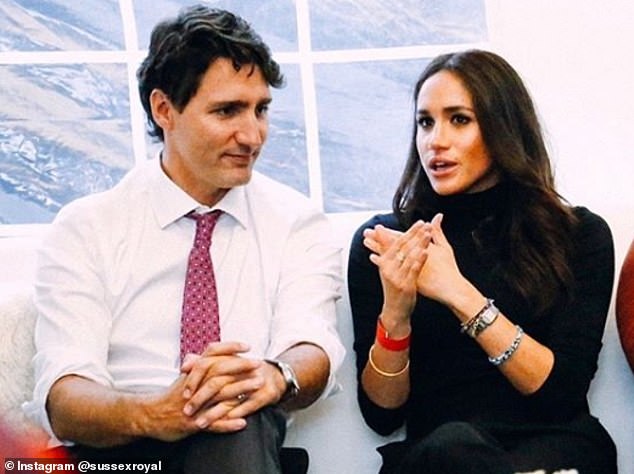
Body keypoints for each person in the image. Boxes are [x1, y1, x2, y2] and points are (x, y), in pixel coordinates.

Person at [23, 5, 344, 474]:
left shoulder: (297, 221)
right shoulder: (86, 227)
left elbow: (312, 344)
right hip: (116, 457)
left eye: (261, 109)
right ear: (164, 109)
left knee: (234, 414)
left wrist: (272, 376)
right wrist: (157, 413)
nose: (252, 135)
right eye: (227, 111)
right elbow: (64, 395)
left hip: (241, 445)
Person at [348, 49, 617, 474]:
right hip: (440, 456)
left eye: (459, 119)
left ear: (503, 128)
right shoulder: (388, 241)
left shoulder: (579, 235)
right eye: (425, 122)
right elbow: (382, 415)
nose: (435, 140)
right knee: (454, 448)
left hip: (555, 445)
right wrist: (396, 313)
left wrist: (458, 293)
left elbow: (560, 395)